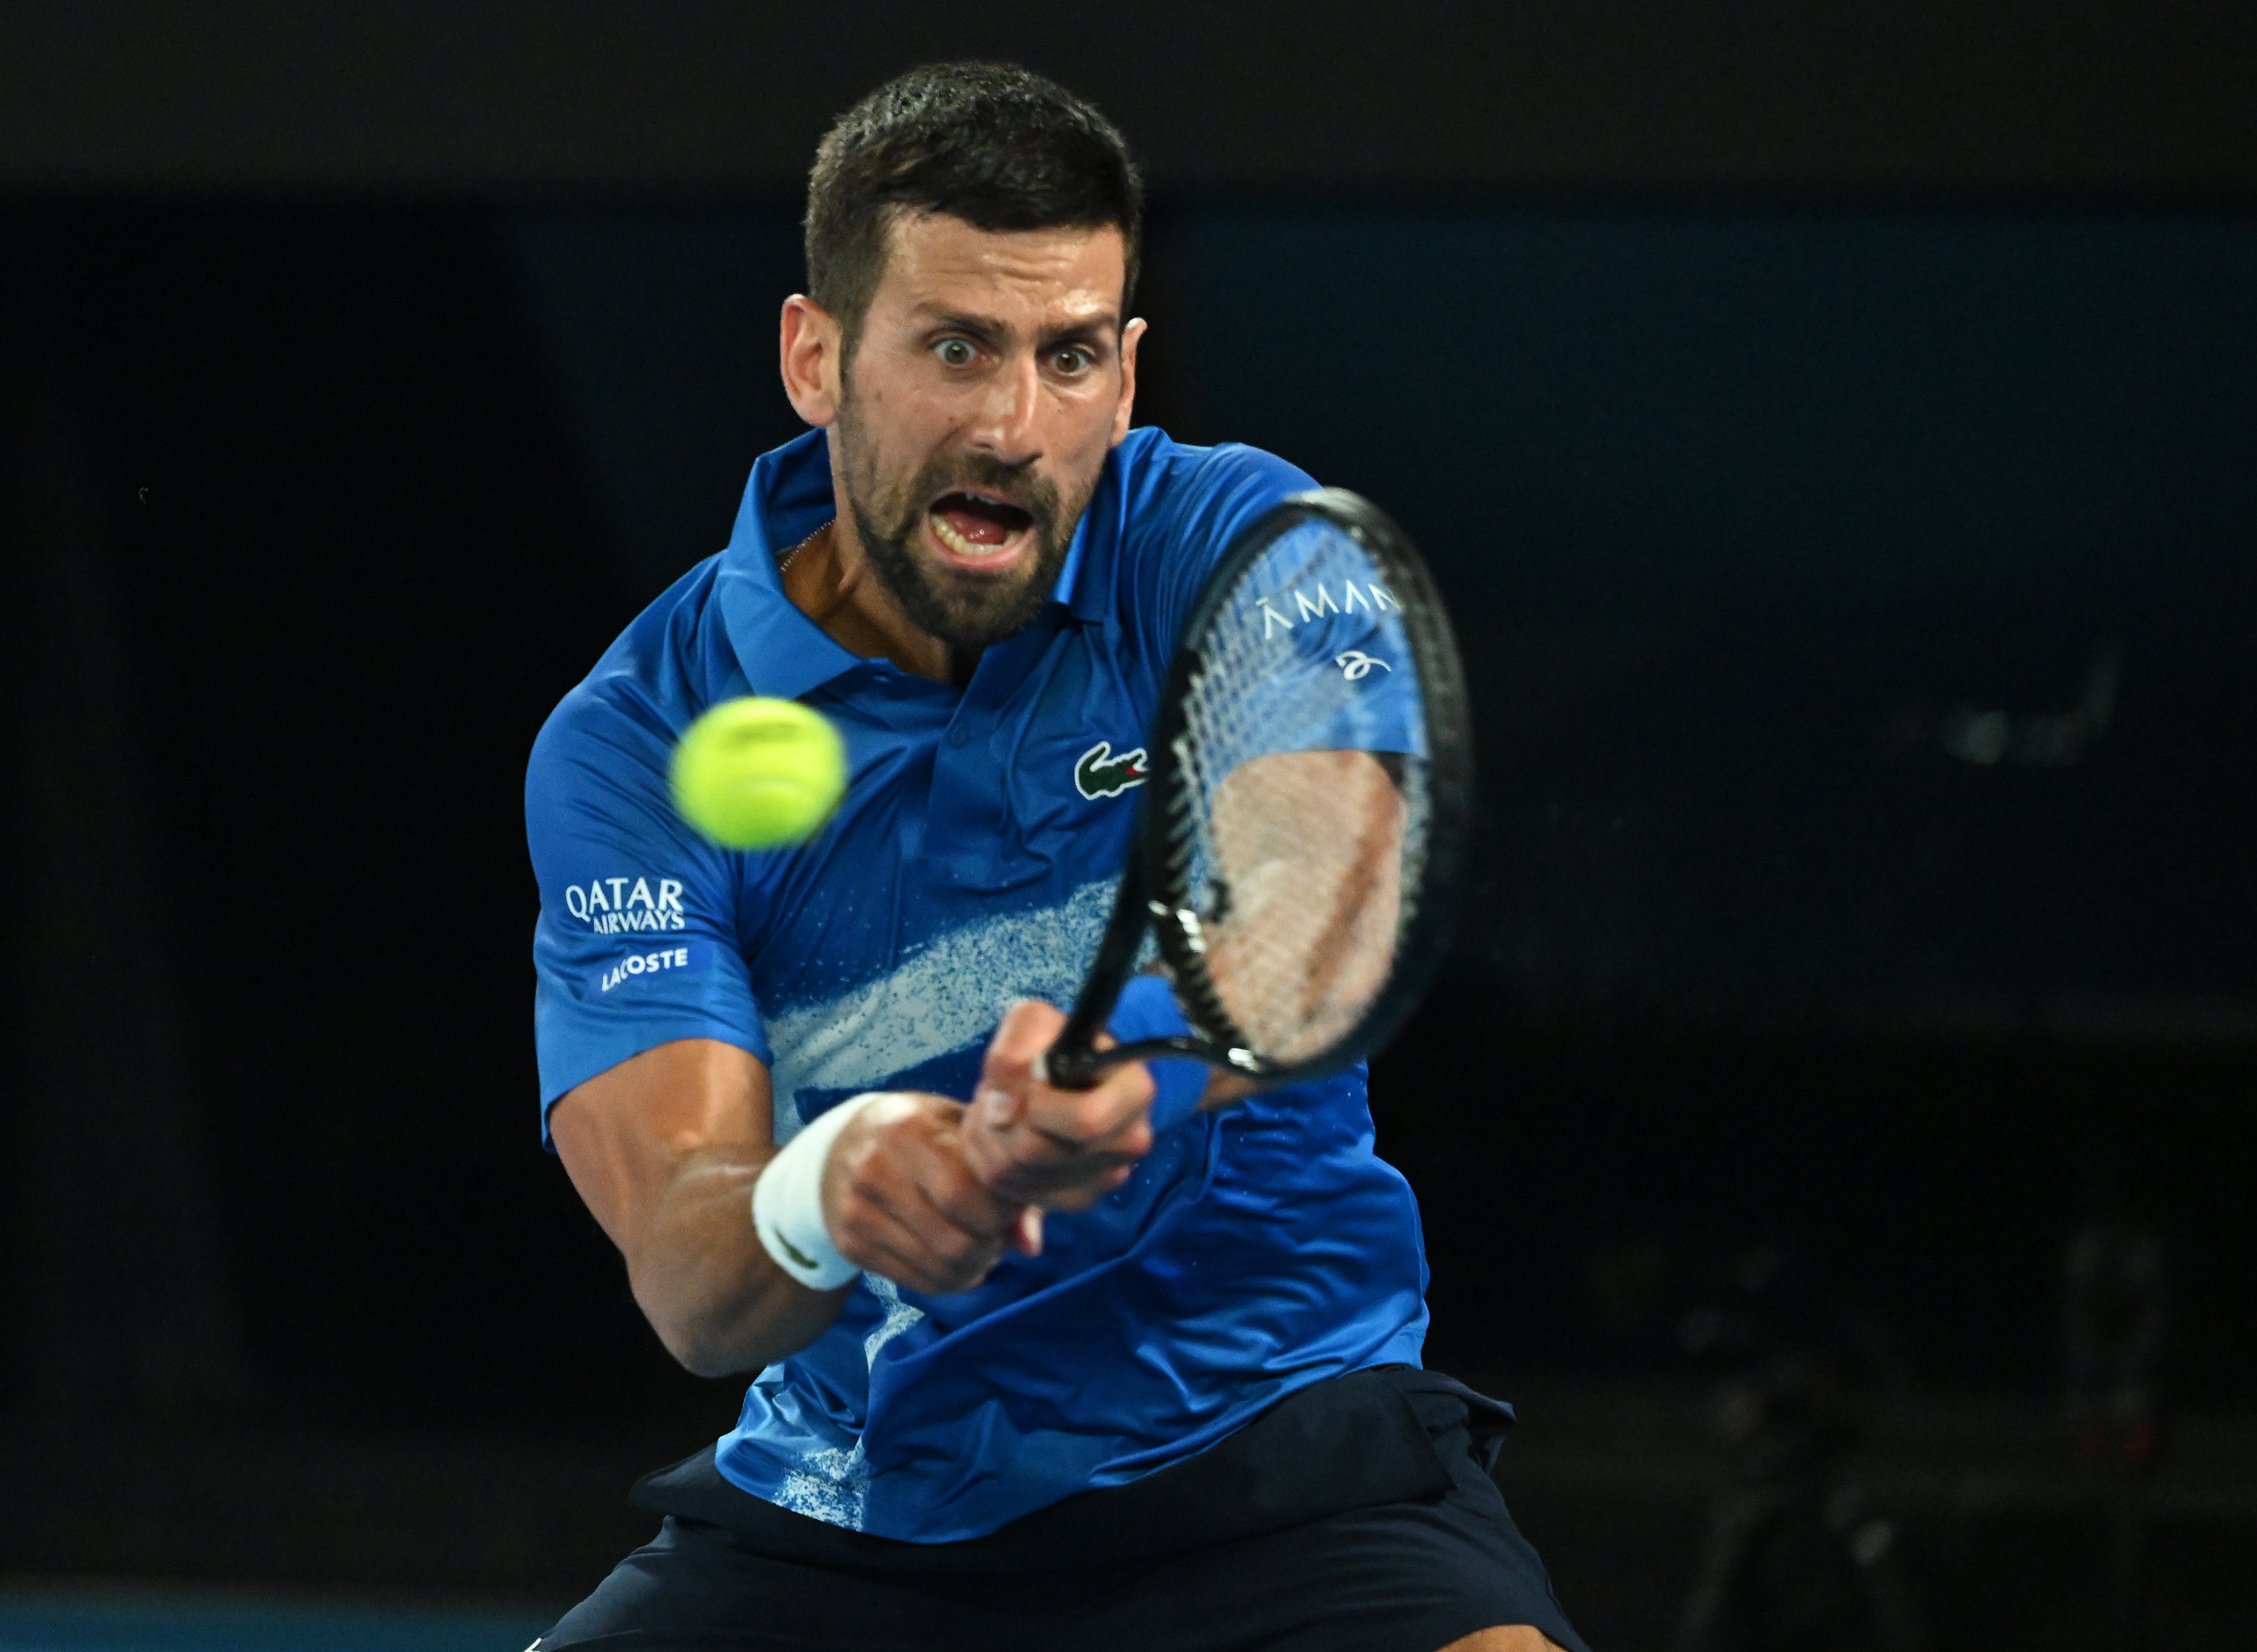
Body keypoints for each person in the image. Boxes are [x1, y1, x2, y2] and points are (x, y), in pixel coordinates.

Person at [522, 62, 1587, 1652]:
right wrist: (828, 1195)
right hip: (862, 1509)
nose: (1013, 425)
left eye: (1067, 355)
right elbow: (690, 1269)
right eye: (955, 347)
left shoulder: (1235, 546)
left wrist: (1133, 1068)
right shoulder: (632, 740)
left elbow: (1316, 906)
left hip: (1282, 1470)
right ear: (816, 357)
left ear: (1127, 373)